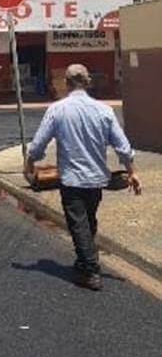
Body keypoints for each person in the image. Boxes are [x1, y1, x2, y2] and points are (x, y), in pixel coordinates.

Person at [25, 63, 141, 291]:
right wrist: (133, 170)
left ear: (66, 84)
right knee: (88, 221)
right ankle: (84, 260)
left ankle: (90, 270)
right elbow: (123, 146)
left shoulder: (57, 110)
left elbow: (38, 143)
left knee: (78, 225)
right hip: (98, 179)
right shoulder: (104, 111)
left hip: (71, 180)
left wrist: (29, 162)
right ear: (88, 83)